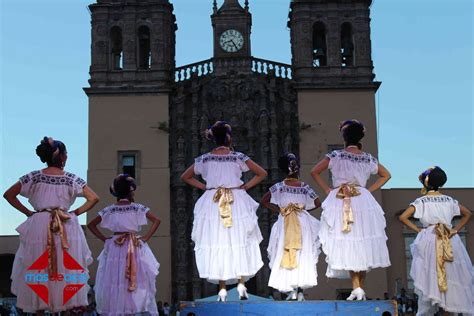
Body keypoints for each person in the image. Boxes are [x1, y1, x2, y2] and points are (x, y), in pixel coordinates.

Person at [3, 137, 99, 314]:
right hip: (66, 223)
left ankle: (39, 309)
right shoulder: (71, 178)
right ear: (62, 156)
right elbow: (94, 198)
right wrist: (75, 213)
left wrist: (29, 212)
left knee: (38, 265)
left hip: (39, 222)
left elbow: (9, 194)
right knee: (67, 266)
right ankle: (65, 308)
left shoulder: (34, 176)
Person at [181, 121, 267, 302]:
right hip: (236, 199)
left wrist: (206, 187)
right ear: (229, 138)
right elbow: (262, 173)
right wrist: (245, 186)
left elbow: (185, 176)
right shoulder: (238, 156)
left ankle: (221, 288)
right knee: (239, 238)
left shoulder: (204, 158)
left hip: (213, 201)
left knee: (217, 240)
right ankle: (241, 282)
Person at [310, 120, 391, 300]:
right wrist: (368, 190)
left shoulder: (336, 155)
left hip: (341, 196)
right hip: (362, 199)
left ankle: (357, 287)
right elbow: (386, 175)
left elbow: (315, 171)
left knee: (350, 239)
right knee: (362, 241)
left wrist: (326, 189)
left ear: (344, 137)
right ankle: (359, 286)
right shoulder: (368, 158)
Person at [399, 166, 473, 315]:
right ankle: (447, 309)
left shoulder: (422, 201)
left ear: (427, 182)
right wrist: (455, 229)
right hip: (449, 238)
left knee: (431, 274)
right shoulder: (449, 200)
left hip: (430, 237)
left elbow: (403, 217)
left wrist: (419, 230)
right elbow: (467, 214)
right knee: (452, 275)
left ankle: (435, 301)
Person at [87, 174, 161, 315]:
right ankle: (131, 309)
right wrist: (145, 238)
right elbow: (157, 220)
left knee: (115, 278)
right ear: (131, 190)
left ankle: (120, 309)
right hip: (133, 244)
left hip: (115, 246)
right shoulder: (136, 207)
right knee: (136, 277)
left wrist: (105, 239)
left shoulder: (110, 209)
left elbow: (91, 225)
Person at [261, 153, 321, 301]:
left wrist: (280, 209)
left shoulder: (279, 187)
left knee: (285, 251)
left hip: (286, 220)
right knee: (302, 252)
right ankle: (299, 290)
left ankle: (293, 289)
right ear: (297, 169)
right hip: (302, 222)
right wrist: (303, 210)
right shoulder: (305, 187)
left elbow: (264, 200)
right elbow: (318, 202)